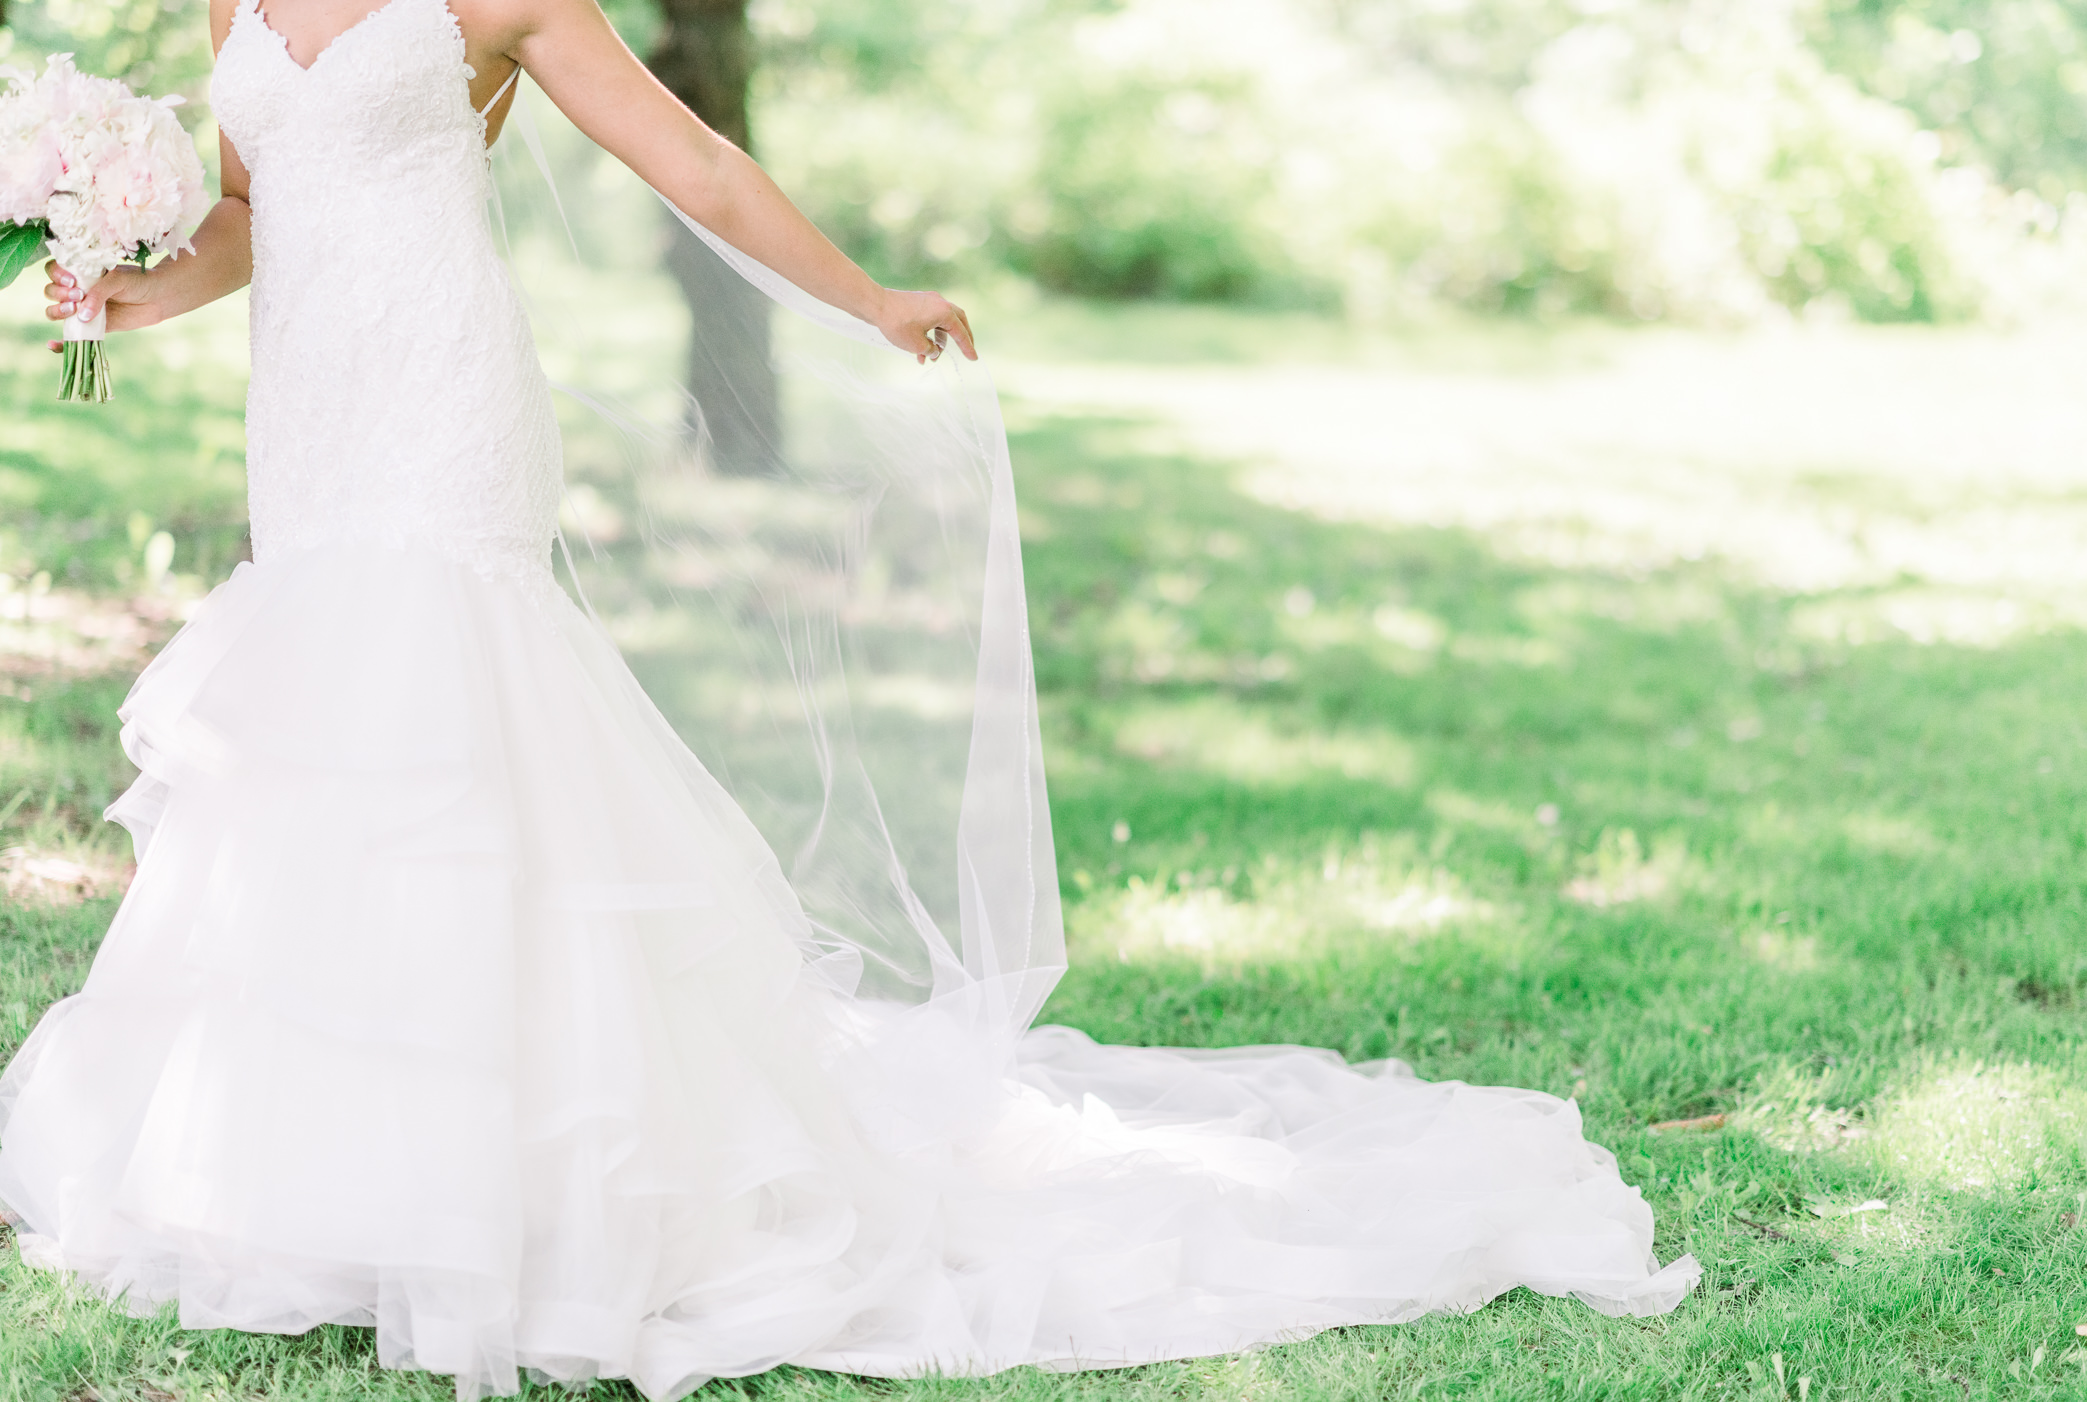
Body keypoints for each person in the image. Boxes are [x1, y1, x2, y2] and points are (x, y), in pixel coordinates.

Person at [2, 0, 1699, 1396]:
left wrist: (868, 299)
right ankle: (314, 1180)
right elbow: (247, 213)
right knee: (327, 746)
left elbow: (699, 164)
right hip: (308, 421)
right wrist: (125, 281)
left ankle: (526, 1191)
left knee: (455, 725)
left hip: (441, 413)